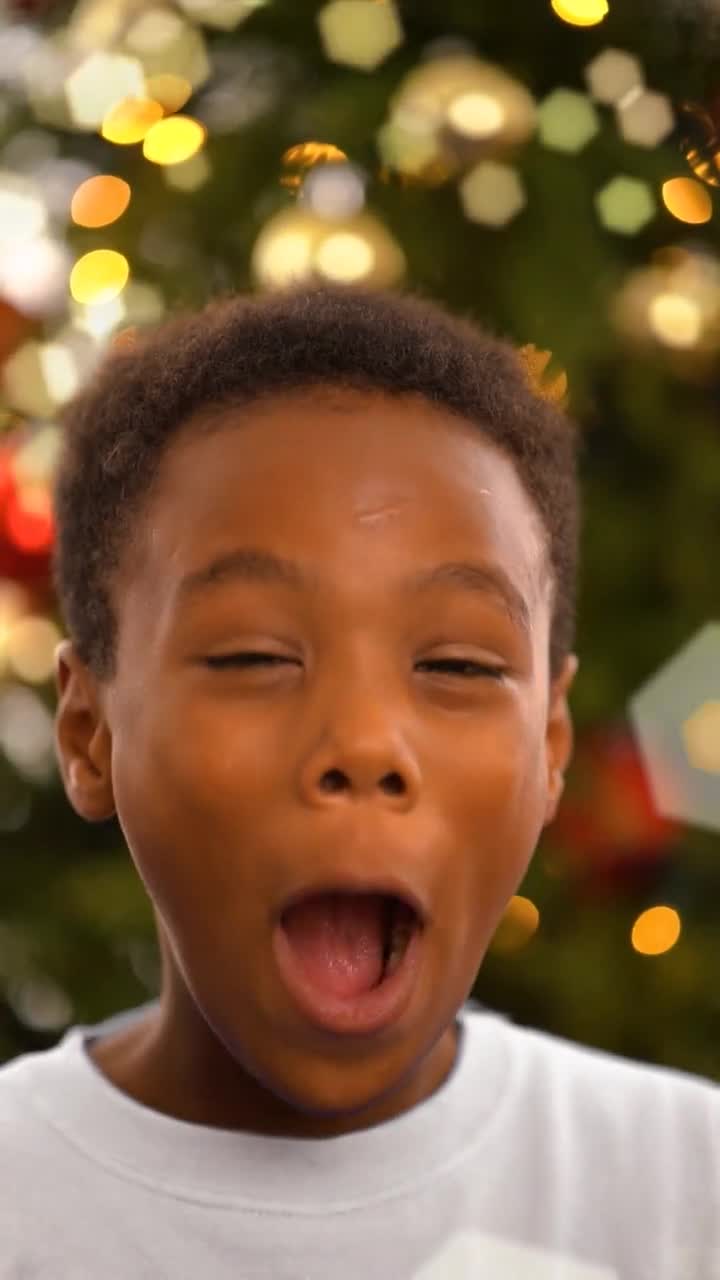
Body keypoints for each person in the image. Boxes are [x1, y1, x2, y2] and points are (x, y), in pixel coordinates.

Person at [0, 284, 716, 1279]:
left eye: (458, 665)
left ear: (549, 744)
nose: (366, 743)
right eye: (253, 655)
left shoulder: (687, 1187)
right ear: (90, 733)